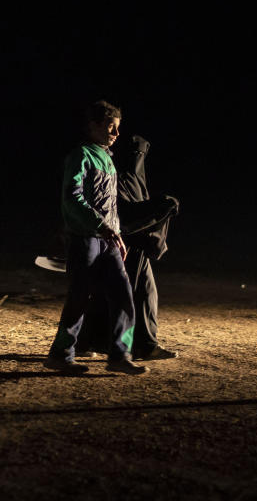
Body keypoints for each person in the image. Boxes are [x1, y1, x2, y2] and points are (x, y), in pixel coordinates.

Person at [44, 100, 148, 376]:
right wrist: (100, 226)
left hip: (107, 240)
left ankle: (119, 355)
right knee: (80, 296)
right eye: (110, 127)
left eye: (117, 128)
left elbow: (109, 204)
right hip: (85, 238)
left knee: (124, 295)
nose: (115, 133)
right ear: (93, 125)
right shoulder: (81, 155)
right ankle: (60, 354)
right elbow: (72, 196)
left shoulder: (108, 159)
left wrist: (115, 233)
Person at [76, 134, 180, 360]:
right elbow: (124, 213)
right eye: (136, 155)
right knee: (128, 296)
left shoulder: (130, 178)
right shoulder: (117, 176)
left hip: (130, 244)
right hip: (119, 243)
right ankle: (137, 347)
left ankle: (92, 342)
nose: (138, 160)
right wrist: (162, 206)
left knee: (127, 295)